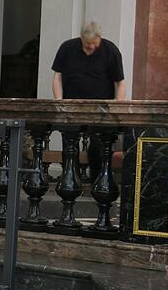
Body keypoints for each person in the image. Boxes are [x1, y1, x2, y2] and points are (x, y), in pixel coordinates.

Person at [51, 21, 126, 178]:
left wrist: (118, 106)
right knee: (69, 144)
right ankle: (70, 178)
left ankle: (97, 180)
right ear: (81, 38)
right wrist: (59, 100)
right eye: (87, 43)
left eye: (94, 43)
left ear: (100, 38)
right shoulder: (67, 48)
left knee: (98, 146)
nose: (90, 47)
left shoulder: (110, 50)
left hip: (101, 108)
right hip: (72, 105)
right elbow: (57, 76)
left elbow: (119, 81)